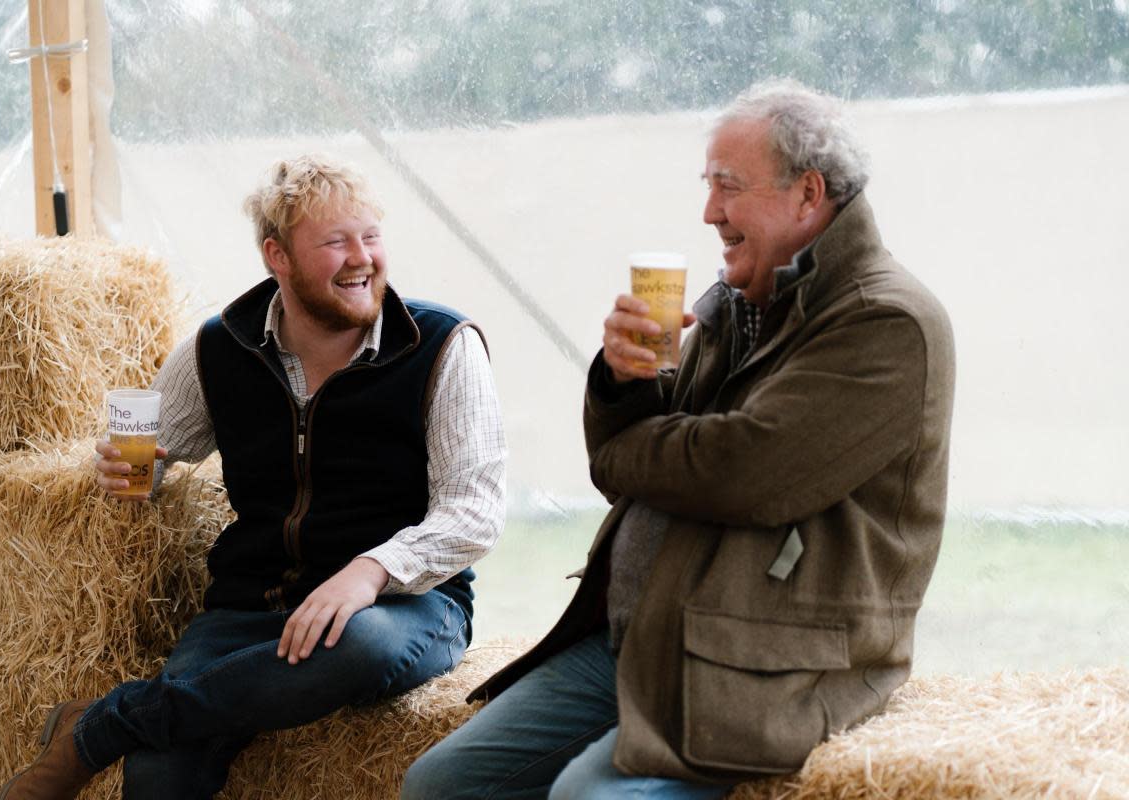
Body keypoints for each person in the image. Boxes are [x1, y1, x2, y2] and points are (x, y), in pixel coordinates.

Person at [402, 79, 955, 799]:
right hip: (649, 636)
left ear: (808, 194)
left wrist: (624, 447)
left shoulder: (887, 323)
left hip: (763, 659)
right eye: (707, 185)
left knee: (584, 797)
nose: (709, 212)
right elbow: (652, 463)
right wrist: (622, 381)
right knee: (440, 785)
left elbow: (742, 475)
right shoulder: (735, 302)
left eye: (728, 186)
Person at [0, 154, 507, 800]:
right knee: (160, 772)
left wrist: (368, 572)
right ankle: (134, 727)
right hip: (250, 607)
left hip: (401, 607)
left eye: (371, 236)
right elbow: (154, 455)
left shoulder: (441, 345)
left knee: (359, 645)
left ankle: (101, 727)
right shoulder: (219, 346)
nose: (362, 258)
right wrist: (132, 472)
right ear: (278, 256)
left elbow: (475, 512)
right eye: (334, 242)